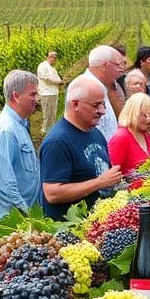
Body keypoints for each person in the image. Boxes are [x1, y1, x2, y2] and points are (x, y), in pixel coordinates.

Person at [40, 77, 123, 221]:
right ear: (76, 104)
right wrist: (99, 182)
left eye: (103, 104)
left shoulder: (95, 132)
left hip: (94, 225)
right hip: (71, 232)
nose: (102, 111)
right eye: (96, 105)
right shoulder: (57, 142)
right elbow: (52, 193)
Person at [0, 70, 42, 223]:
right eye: (32, 94)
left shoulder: (20, 124)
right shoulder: (6, 131)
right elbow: (4, 182)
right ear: (16, 96)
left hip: (20, 218)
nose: (36, 99)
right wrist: (26, 213)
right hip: (11, 222)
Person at [68, 45, 126, 142]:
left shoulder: (104, 87)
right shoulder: (87, 88)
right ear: (104, 66)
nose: (122, 69)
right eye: (118, 65)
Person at [108, 93, 150, 174]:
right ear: (132, 113)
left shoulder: (146, 134)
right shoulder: (121, 137)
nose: (148, 120)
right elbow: (110, 174)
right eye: (144, 115)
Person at [36, 50, 62, 135]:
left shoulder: (52, 68)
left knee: (53, 112)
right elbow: (46, 79)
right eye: (52, 56)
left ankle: (51, 130)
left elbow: (56, 78)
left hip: (53, 92)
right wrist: (59, 82)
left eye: (55, 57)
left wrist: (59, 81)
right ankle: (44, 131)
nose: (53, 58)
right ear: (47, 57)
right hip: (46, 93)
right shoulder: (43, 66)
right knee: (47, 113)